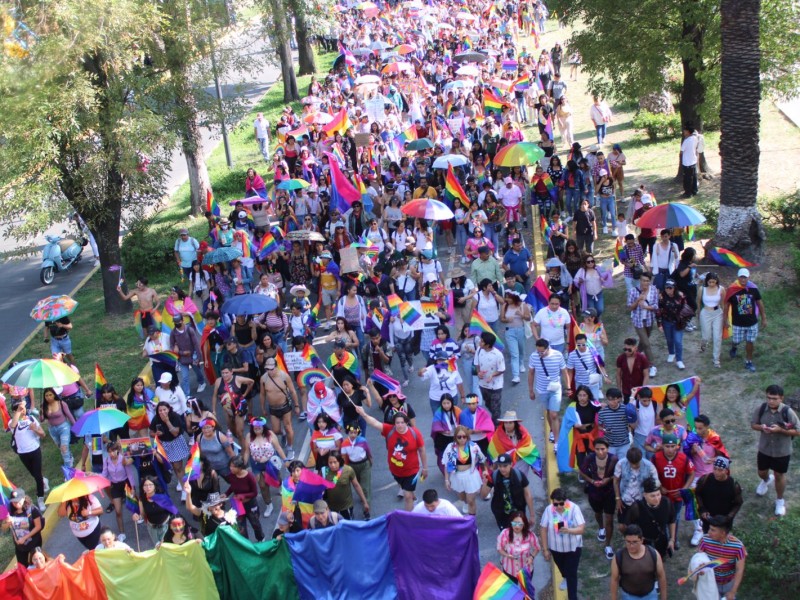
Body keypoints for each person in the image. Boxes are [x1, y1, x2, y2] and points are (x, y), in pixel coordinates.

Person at [356, 406, 427, 512]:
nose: (400, 425)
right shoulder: (389, 430)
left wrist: (425, 468)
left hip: (412, 471)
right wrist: (363, 414)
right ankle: (414, 498)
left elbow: (422, 450)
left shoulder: (415, 433)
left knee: (407, 496)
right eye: (397, 423)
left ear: (407, 422)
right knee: (406, 490)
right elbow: (374, 423)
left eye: (402, 422)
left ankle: (408, 519)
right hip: (395, 470)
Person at [750, 384, 799, 516]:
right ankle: (766, 480)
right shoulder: (761, 409)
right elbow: (753, 424)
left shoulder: (788, 412)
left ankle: (779, 500)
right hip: (765, 449)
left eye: (774, 398)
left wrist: (780, 430)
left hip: (782, 451)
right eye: (769, 398)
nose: (771, 401)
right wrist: (762, 428)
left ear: (781, 398)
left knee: (779, 475)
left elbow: (798, 431)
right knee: (761, 472)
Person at [540, 488, 585, 600]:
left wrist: (569, 530)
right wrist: (545, 549)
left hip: (573, 548)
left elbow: (581, 529)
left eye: (561, 503)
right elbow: (543, 529)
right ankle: (564, 576)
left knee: (571, 575)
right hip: (556, 548)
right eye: (556, 504)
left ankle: (573, 597)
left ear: (566, 501)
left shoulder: (574, 509)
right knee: (563, 568)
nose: (559, 506)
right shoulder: (548, 510)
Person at [579, 437, 619, 559]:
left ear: (607, 448)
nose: (600, 452)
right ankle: (601, 528)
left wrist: (609, 479)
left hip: (609, 492)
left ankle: (608, 545)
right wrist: (591, 480)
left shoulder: (614, 459)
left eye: (603, 449)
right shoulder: (589, 458)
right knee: (598, 513)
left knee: (609, 517)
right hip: (594, 492)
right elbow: (582, 472)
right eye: (597, 449)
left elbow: (618, 474)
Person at [528, 338, 569, 452]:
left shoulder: (557, 355)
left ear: (548, 348)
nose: (540, 354)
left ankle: (557, 442)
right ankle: (552, 429)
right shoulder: (533, 357)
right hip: (542, 390)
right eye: (538, 351)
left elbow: (564, 372)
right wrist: (530, 390)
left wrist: (568, 386)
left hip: (555, 389)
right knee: (548, 412)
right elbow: (531, 373)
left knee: (554, 414)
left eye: (542, 352)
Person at [652, 433, 694, 543]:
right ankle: (665, 539)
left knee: (675, 518)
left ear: (677, 446)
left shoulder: (683, 458)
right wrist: (659, 486)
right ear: (662, 445)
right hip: (661, 495)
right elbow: (651, 474)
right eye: (667, 446)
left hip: (677, 495)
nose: (670, 449)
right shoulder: (656, 458)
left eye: (672, 446)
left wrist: (684, 489)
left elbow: (692, 473)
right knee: (663, 517)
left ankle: (674, 538)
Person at [724, 267, 766, 372]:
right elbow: (726, 305)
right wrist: (725, 319)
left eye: (745, 277)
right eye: (741, 277)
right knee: (736, 340)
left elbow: (760, 304)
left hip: (752, 322)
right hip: (738, 323)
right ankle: (734, 347)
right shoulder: (732, 290)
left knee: (750, 341)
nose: (743, 279)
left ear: (748, 278)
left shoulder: (753, 289)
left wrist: (764, 318)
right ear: (738, 277)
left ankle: (749, 361)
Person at [242, 417, 286, 518]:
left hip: (271, 462)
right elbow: (247, 452)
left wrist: (286, 461)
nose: (257, 429)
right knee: (262, 485)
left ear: (263, 427)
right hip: (256, 465)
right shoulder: (249, 436)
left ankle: (280, 486)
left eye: (259, 427)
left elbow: (278, 448)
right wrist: (243, 465)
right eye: (255, 427)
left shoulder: (270, 435)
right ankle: (268, 504)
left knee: (276, 480)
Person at [8, 400, 47, 511]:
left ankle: (40, 498)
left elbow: (43, 434)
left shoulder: (31, 419)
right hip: (23, 453)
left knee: (37, 476)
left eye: (23, 408)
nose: (22, 410)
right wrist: (18, 412)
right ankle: (44, 481)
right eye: (19, 408)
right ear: (14, 411)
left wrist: (35, 429)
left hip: (35, 450)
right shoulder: (12, 422)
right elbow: (13, 425)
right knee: (34, 474)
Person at [610, 524, 667, 600]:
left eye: (634, 542)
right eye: (628, 542)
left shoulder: (653, 554)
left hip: (650, 596)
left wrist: (664, 598)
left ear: (642, 540)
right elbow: (614, 580)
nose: (631, 545)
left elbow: (661, 576)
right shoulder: (619, 557)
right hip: (628, 597)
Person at [481, 453, 536, 530]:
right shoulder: (494, 476)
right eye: (500, 466)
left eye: (505, 466)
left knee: (518, 533)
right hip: (501, 514)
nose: (502, 469)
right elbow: (483, 495)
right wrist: (484, 483)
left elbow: (528, 494)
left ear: (511, 464)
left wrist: (532, 515)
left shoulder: (519, 475)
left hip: (518, 513)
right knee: (506, 536)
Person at [259, 357, 300, 460]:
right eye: (267, 369)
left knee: (288, 427)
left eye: (271, 369)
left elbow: (293, 391)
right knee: (276, 430)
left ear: (276, 367)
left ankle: (290, 448)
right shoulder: (263, 379)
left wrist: (296, 405)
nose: (269, 371)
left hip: (285, 406)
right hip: (273, 408)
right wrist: (263, 408)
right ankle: (284, 434)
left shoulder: (284, 376)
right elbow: (262, 394)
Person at [698, 516, 747, 599]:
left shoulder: (738, 546)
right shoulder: (705, 540)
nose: (709, 532)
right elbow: (700, 558)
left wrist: (733, 591)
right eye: (709, 528)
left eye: (713, 530)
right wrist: (700, 567)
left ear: (723, 533)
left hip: (729, 583)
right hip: (711, 582)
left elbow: (740, 569)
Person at [442, 425, 487, 516]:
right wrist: (447, 480)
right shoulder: (450, 448)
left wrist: (484, 470)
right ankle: (465, 503)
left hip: (470, 475)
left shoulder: (474, 447)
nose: (462, 439)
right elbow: (446, 464)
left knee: (471, 500)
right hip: (457, 476)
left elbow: (482, 460)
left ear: (467, 437)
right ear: (455, 437)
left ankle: (471, 522)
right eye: (459, 437)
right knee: (462, 498)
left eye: (464, 436)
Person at [694, 456, 743, 536]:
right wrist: (702, 509)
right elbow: (697, 493)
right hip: (708, 519)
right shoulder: (705, 480)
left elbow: (738, 503)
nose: (716, 472)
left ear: (726, 471)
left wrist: (729, 517)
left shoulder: (733, 485)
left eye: (720, 470)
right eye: (715, 469)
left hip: (724, 521)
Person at [614, 448, 659, 532]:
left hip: (642, 502)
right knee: (622, 527)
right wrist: (617, 498)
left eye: (637, 463)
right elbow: (616, 480)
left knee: (640, 527)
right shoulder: (621, 463)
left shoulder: (649, 466)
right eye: (632, 464)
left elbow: (656, 484)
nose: (634, 466)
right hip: (625, 500)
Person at [101, 441, 136, 542]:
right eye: (109, 452)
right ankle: (122, 533)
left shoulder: (123, 459)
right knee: (118, 511)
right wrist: (94, 475)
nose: (111, 454)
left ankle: (139, 516)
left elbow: (129, 474)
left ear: (117, 450)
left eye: (113, 451)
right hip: (115, 486)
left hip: (126, 483)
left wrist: (133, 487)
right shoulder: (107, 460)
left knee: (133, 506)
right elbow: (104, 474)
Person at [225, 455, 265, 541]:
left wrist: (243, 496)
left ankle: (261, 539)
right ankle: (246, 543)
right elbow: (233, 486)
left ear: (240, 467)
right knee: (241, 526)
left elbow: (254, 493)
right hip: (238, 504)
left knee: (255, 524)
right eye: (230, 466)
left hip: (250, 504)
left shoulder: (249, 477)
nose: (230, 468)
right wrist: (226, 494)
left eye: (233, 466)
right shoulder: (231, 476)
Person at [211, 365, 254, 444]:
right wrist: (214, 410)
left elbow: (251, 382)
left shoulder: (237, 379)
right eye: (222, 373)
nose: (224, 375)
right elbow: (214, 396)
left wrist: (245, 394)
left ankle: (244, 452)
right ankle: (244, 443)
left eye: (226, 373)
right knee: (232, 431)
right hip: (227, 410)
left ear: (231, 372)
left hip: (238, 409)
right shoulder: (218, 381)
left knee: (239, 432)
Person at [321, 451, 369, 521]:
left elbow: (356, 485)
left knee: (348, 526)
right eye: (330, 463)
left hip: (346, 507)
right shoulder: (324, 472)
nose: (333, 465)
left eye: (335, 462)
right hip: (332, 508)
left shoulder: (348, 470)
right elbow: (320, 488)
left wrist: (365, 502)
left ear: (340, 461)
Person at [1, 489, 44, 566]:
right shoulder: (10, 512)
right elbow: (3, 528)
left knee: (37, 565)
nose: (16, 503)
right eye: (14, 501)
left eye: (18, 500)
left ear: (24, 498)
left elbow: (38, 526)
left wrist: (24, 538)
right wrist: (7, 522)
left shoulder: (32, 509)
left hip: (34, 543)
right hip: (20, 547)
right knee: (23, 567)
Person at [169, 315, 207, 397]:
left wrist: (199, 357)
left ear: (182, 321)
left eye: (178, 322)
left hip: (193, 356)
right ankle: (187, 394)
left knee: (198, 372)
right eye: (175, 322)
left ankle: (201, 382)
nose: (177, 324)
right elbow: (172, 346)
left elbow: (196, 344)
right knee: (185, 377)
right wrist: (180, 352)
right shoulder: (173, 333)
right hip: (182, 359)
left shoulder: (189, 330)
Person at [134, 476, 176, 546]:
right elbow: (143, 515)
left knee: (166, 547)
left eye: (150, 485)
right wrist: (137, 517)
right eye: (145, 485)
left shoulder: (162, 498)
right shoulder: (142, 500)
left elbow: (174, 512)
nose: (148, 487)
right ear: (143, 488)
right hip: (152, 529)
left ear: (155, 486)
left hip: (165, 527)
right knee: (157, 549)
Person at [656, 279, 689, 370]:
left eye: (670, 287)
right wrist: (659, 324)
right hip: (666, 321)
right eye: (666, 287)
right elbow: (659, 311)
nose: (668, 289)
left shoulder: (681, 296)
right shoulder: (661, 296)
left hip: (678, 322)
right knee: (669, 339)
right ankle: (671, 353)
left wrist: (684, 320)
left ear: (674, 288)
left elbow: (685, 308)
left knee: (678, 341)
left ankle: (679, 360)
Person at [497, 512, 541, 579]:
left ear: (524, 525)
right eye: (514, 523)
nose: (517, 526)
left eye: (520, 524)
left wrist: (531, 557)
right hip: (509, 570)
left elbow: (537, 548)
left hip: (526, 570)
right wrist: (507, 555)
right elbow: (499, 548)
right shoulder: (505, 533)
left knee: (525, 589)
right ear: (511, 523)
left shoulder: (530, 535)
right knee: (511, 589)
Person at [473, 331, 506, 421]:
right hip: (483, 384)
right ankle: (497, 418)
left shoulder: (498, 355)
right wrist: (478, 372)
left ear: (488, 345)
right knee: (488, 403)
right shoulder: (479, 350)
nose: (480, 342)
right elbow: (477, 363)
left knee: (495, 408)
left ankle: (496, 427)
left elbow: (501, 369)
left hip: (495, 386)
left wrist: (492, 375)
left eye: (482, 341)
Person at [698, 272, 725, 368]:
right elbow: (698, 302)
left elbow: (723, 303)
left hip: (718, 313)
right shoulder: (702, 289)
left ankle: (716, 359)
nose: (712, 284)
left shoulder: (721, 289)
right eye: (710, 282)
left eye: (714, 282)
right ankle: (703, 343)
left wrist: (725, 318)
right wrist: (698, 315)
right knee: (706, 336)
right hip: (705, 312)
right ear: (707, 281)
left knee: (717, 337)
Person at [598, 388, 632, 457]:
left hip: (624, 443)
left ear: (619, 399)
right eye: (610, 399)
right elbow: (598, 425)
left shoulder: (625, 409)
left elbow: (631, 423)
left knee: (623, 464)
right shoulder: (603, 412)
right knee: (611, 465)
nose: (612, 402)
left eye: (614, 399)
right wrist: (604, 430)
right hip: (609, 444)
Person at [616, 338, 651, 403]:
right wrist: (619, 391)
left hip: (638, 390)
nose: (626, 351)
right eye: (625, 349)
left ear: (635, 348)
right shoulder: (620, 358)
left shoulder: (642, 358)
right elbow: (618, 374)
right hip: (626, 390)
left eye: (629, 350)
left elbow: (646, 375)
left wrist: (642, 390)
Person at [679, 124, 699, 198]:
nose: (684, 132)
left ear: (688, 131)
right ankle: (694, 190)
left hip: (687, 162)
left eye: (685, 130)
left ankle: (688, 193)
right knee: (694, 176)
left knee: (687, 178)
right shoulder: (695, 138)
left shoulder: (686, 141)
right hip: (693, 160)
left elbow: (681, 151)